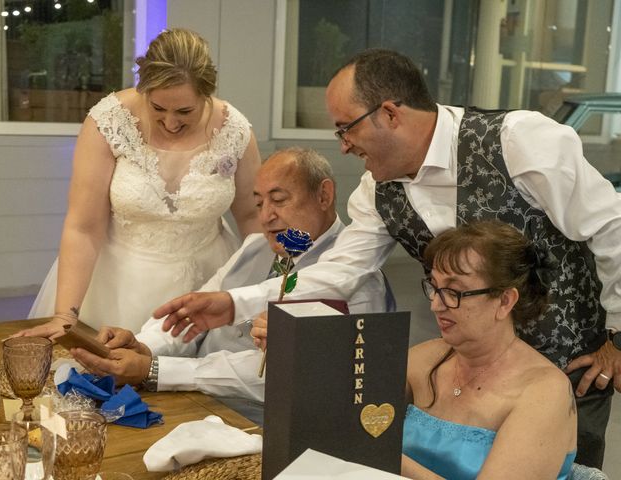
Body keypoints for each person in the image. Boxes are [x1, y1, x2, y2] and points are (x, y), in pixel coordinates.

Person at [150, 48, 621, 468]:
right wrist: (234, 304)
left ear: (390, 113)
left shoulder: (518, 140)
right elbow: (342, 270)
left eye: (345, 127)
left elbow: (611, 227)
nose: (343, 145)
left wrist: (619, 337)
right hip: (467, 370)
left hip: (569, 364)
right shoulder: (379, 189)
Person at [68, 147, 394, 424]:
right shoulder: (254, 246)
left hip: (262, 428)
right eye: (259, 203)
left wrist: (154, 370)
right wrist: (143, 346)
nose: (266, 217)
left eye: (278, 200)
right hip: (189, 404)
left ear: (324, 195)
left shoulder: (361, 284)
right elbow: (190, 318)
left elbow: (279, 378)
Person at [19, 29, 261, 337]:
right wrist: (66, 315)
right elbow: (83, 227)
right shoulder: (110, 121)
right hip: (116, 287)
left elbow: (253, 218)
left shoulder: (234, 130)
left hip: (206, 285)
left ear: (206, 94)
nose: (171, 123)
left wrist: (262, 293)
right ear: (143, 88)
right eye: (158, 108)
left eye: (185, 111)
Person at [402, 220, 576, 480]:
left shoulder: (544, 391)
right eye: (434, 287)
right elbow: (353, 420)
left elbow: (364, 442)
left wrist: (384, 457)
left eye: (454, 291)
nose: (436, 306)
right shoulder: (422, 359)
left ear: (505, 301)